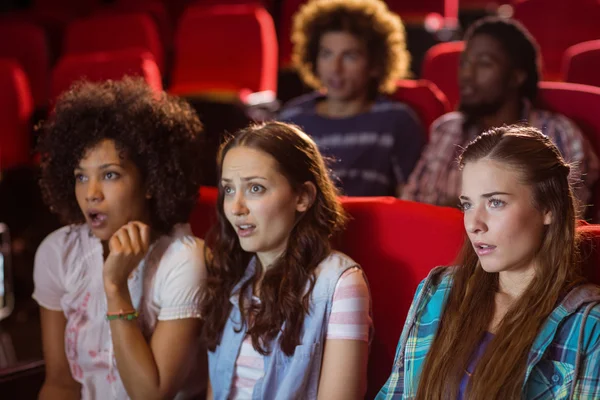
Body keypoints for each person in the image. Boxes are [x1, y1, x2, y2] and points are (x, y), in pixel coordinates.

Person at [378, 125, 600, 399]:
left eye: (495, 203)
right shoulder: (437, 291)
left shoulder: (589, 324)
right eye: (467, 205)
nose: (473, 224)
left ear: (548, 209)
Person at [33, 78, 207, 399]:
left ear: (151, 181)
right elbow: (61, 383)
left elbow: (151, 394)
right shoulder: (57, 252)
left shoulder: (185, 260)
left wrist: (115, 287)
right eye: (81, 176)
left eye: (109, 174)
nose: (91, 194)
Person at [200, 121, 372, 399]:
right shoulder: (232, 271)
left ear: (302, 197)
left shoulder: (340, 283)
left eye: (255, 189)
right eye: (229, 189)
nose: (236, 208)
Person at [403, 17, 599, 207]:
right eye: (464, 63)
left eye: (484, 64)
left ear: (516, 77)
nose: (466, 74)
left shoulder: (558, 134)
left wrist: (463, 210)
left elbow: (561, 218)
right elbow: (411, 205)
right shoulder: (446, 128)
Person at [279, 0, 424, 197]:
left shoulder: (397, 120)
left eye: (350, 56)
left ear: (375, 64)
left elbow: (411, 199)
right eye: (326, 54)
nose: (335, 68)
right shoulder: (292, 119)